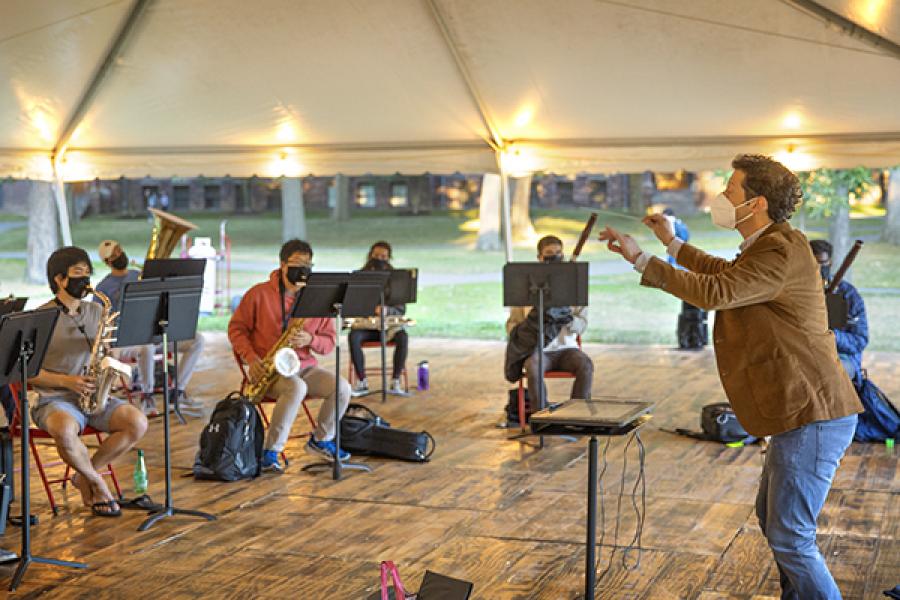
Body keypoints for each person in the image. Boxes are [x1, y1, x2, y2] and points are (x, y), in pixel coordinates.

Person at [599, 154, 862, 599]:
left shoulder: (780, 248)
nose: (722, 196)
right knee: (776, 524)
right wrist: (672, 244)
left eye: (731, 189)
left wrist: (642, 258)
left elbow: (719, 292)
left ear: (756, 203)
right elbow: (727, 274)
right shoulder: (771, 244)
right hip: (798, 411)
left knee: (791, 538)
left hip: (812, 413)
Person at [30, 247, 148, 517]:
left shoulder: (97, 310)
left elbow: (107, 351)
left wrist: (112, 366)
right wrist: (67, 381)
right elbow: (26, 372)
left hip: (95, 394)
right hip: (54, 398)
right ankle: (96, 482)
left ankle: (84, 474)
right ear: (59, 280)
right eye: (78, 274)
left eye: (88, 274)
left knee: (137, 422)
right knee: (65, 430)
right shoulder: (40, 318)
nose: (87, 281)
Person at [228, 239, 351, 472]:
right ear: (282, 265)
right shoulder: (258, 294)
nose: (303, 269)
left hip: (304, 367)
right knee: (296, 388)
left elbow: (329, 343)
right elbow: (236, 330)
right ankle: (271, 451)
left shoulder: (317, 299)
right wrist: (252, 360)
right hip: (268, 369)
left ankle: (321, 440)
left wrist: (311, 340)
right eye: (297, 264)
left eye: (308, 264)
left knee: (342, 388)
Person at [95, 240, 206, 417]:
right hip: (124, 340)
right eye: (114, 255)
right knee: (146, 347)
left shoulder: (139, 275)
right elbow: (100, 321)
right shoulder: (102, 288)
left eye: (119, 250)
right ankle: (147, 396)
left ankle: (176, 392)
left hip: (153, 333)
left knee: (197, 340)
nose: (120, 255)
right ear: (107, 262)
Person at [506, 235, 593, 408]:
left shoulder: (574, 286)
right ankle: (542, 417)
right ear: (539, 257)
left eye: (558, 253)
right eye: (549, 254)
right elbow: (512, 325)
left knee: (585, 365)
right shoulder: (525, 287)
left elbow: (582, 324)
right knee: (533, 367)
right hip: (538, 349)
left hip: (566, 348)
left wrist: (565, 317)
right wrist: (528, 330)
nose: (554, 257)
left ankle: (577, 414)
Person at [349, 241, 410, 397]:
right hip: (367, 327)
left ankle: (395, 381)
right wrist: (370, 309)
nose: (379, 259)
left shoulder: (397, 279)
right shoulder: (359, 276)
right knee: (353, 337)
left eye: (383, 256)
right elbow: (353, 304)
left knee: (402, 337)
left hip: (388, 327)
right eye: (376, 256)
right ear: (370, 256)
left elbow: (401, 309)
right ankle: (362, 381)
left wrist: (387, 310)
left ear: (389, 258)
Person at [809, 239, 869, 383]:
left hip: (843, 357)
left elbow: (860, 340)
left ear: (829, 263)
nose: (818, 270)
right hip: (808, 356)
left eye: (822, 265)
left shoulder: (848, 294)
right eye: (813, 265)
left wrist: (831, 335)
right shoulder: (797, 294)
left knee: (828, 372)